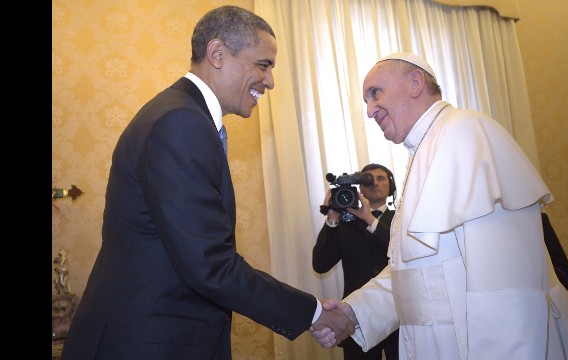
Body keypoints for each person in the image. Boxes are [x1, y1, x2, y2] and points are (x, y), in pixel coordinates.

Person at [61, 6, 353, 359]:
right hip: (146, 342)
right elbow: (210, 264)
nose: (270, 81)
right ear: (217, 54)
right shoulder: (181, 121)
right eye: (263, 64)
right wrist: (315, 313)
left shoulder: (181, 114)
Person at [311, 52, 568, 359]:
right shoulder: (427, 147)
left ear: (415, 83)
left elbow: (509, 293)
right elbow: (420, 281)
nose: (369, 110)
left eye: (374, 93)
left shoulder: (466, 133)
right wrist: (353, 313)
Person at [313, 163, 399, 360]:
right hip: (357, 317)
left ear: (391, 186)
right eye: (368, 179)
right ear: (359, 187)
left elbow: (401, 251)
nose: (374, 183)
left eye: (381, 178)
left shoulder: (401, 219)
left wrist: (370, 219)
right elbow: (320, 264)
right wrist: (332, 219)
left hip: (398, 314)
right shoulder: (345, 224)